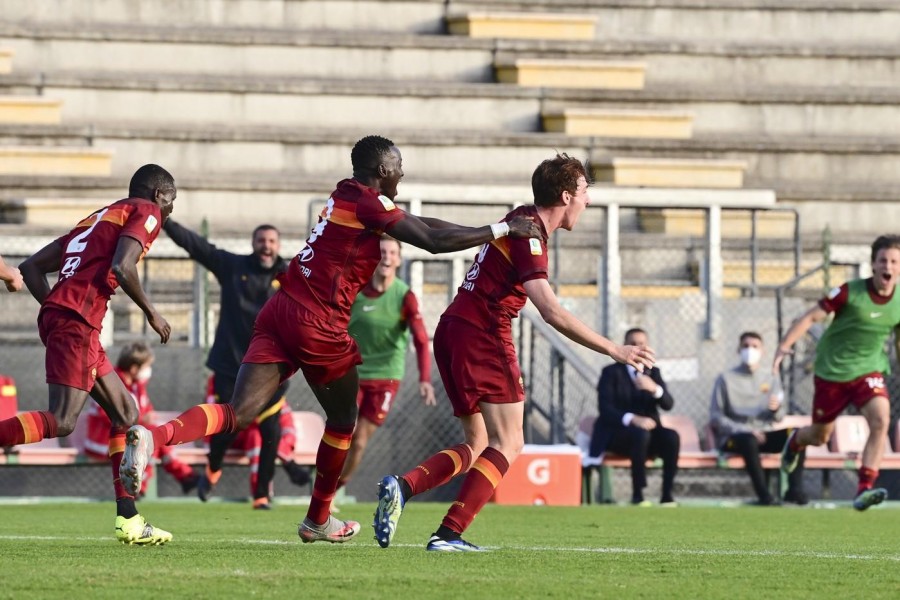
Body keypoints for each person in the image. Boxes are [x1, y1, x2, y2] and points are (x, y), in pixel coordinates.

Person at [120, 134, 544, 544]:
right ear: (383, 169)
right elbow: (430, 241)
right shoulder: (369, 202)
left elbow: (420, 224)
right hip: (317, 322)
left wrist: (492, 229)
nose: (402, 175)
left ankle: (155, 437)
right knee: (343, 423)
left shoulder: (347, 193)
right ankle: (317, 519)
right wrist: (499, 229)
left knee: (238, 411)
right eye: (398, 168)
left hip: (281, 309)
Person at [373, 153, 656, 552]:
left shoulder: (521, 217)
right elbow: (551, 311)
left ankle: (402, 487)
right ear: (565, 194)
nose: (588, 200)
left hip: (453, 328)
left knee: (477, 444)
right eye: (584, 191)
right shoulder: (531, 236)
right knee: (510, 442)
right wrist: (614, 349)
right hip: (483, 333)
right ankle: (449, 534)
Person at [0, 164, 176, 545]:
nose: (169, 209)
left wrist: (57, 308)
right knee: (63, 420)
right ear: (160, 195)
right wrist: (152, 312)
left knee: (126, 414)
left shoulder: (94, 219)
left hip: (76, 323)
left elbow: (30, 268)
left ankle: (128, 518)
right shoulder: (146, 211)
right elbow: (122, 266)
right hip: (78, 323)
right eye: (171, 201)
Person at [162, 218, 305, 510]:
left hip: (271, 370)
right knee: (225, 428)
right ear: (253, 243)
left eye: (271, 241)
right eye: (261, 240)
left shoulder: (291, 274)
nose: (266, 246)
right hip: (231, 367)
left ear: (279, 246)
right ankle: (213, 469)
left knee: (271, 431)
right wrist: (164, 219)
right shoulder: (233, 267)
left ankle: (262, 495)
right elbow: (197, 246)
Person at [775, 234, 900, 511]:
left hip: (869, 370)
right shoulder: (849, 292)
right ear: (873, 264)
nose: (888, 266)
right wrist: (784, 346)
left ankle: (864, 488)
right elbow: (810, 317)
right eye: (883, 260)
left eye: (894, 261)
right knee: (820, 435)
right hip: (832, 373)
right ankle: (795, 442)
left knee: (881, 419)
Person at [337, 235, 436, 490]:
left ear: (399, 259)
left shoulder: (404, 296)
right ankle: (322, 486)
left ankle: (334, 491)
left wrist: (425, 379)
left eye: (393, 253)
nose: (387, 258)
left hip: (386, 379)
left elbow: (422, 340)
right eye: (382, 252)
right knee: (341, 434)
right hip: (352, 374)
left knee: (359, 441)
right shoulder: (356, 290)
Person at [83, 342, 199, 497]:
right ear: (133, 368)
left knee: (152, 439)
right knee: (151, 439)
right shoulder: (109, 383)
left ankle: (147, 485)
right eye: (146, 367)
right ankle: (182, 476)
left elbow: (146, 410)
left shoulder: (138, 386)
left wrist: (144, 419)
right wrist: (140, 420)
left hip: (130, 439)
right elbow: (107, 416)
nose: (148, 372)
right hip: (105, 441)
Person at [710, 331, 807, 506]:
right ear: (738, 349)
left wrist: (776, 409)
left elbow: (779, 416)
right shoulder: (725, 379)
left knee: (798, 436)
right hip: (737, 436)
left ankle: (794, 491)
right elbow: (716, 417)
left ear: (762, 351)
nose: (750, 350)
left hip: (765, 433)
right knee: (749, 440)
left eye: (755, 347)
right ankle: (764, 495)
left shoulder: (771, 378)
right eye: (746, 346)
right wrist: (747, 430)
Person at [588, 328, 679, 507]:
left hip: (649, 434)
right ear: (625, 345)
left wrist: (655, 389)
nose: (638, 348)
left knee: (671, 437)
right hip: (618, 435)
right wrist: (632, 419)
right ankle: (638, 495)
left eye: (642, 344)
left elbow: (668, 404)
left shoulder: (653, 372)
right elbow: (605, 409)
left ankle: (667, 495)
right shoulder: (611, 372)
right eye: (633, 343)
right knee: (640, 434)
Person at [201, 374, 310, 505]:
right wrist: (210, 447)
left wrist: (286, 447)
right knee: (256, 434)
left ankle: (261, 494)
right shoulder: (223, 375)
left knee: (261, 435)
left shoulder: (270, 379)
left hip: (254, 435)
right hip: (231, 434)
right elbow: (212, 411)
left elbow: (286, 422)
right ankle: (283, 472)